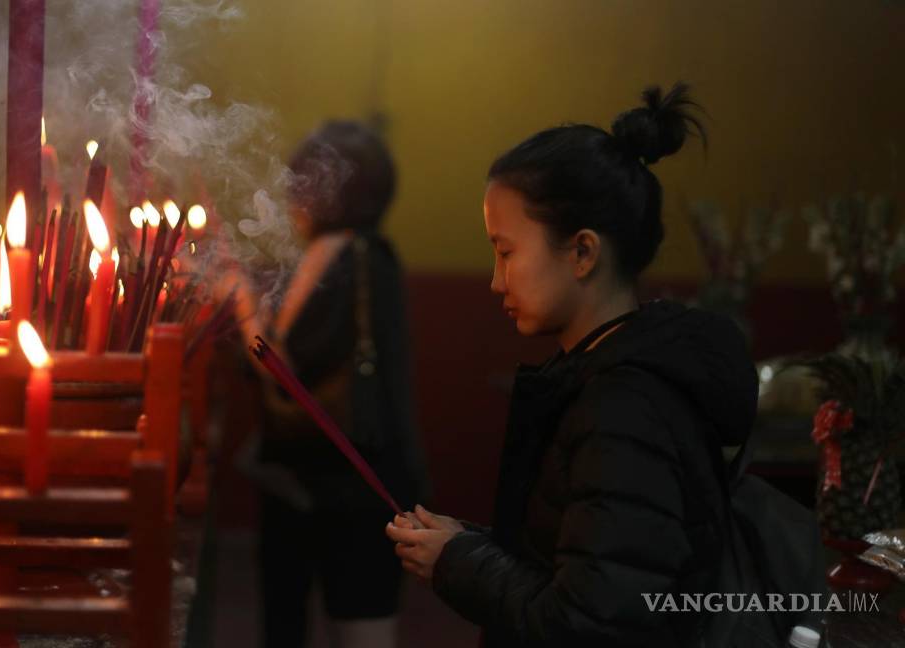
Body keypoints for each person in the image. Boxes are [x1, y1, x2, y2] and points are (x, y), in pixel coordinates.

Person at [386, 84, 758, 646]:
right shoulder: (602, 375)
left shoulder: (625, 407)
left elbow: (590, 622)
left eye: (506, 251)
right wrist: (470, 546)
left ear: (583, 252)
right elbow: (581, 555)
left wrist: (459, 564)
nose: (494, 280)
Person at [240, 120, 428, 648]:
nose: (291, 193)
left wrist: (237, 302)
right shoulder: (360, 254)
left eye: (302, 179)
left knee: (356, 629)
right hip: (315, 482)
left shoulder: (348, 256)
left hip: (347, 485)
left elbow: (277, 361)